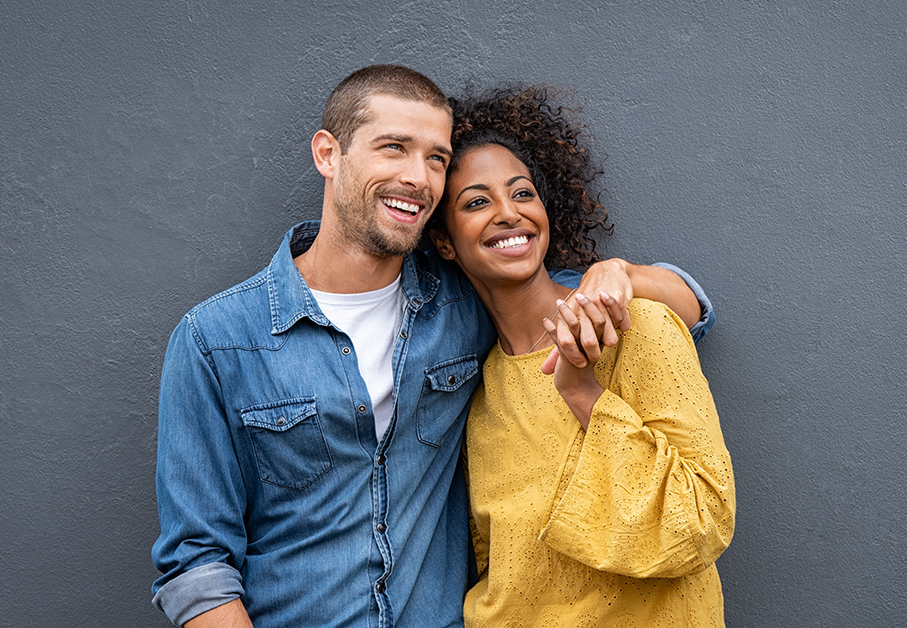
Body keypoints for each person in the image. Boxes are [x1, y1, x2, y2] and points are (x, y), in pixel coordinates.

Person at [150, 65, 715, 628]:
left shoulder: (466, 303)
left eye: (436, 158)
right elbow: (196, 566)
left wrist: (622, 272)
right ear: (328, 154)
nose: (418, 177)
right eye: (393, 148)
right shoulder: (216, 341)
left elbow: (683, 304)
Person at [429, 86, 735, 626]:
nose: (508, 214)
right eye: (476, 202)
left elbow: (703, 520)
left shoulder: (636, 326)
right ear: (446, 243)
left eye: (522, 193)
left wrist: (581, 391)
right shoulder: (477, 394)